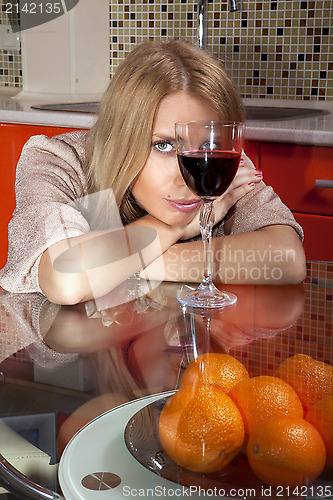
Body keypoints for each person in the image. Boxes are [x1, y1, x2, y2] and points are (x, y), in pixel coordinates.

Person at [0, 39, 306, 305]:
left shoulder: (216, 165)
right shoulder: (59, 160)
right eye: (163, 146)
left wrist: (128, 264)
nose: (190, 178)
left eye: (207, 145)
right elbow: (66, 280)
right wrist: (182, 227)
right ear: (121, 138)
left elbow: (288, 261)